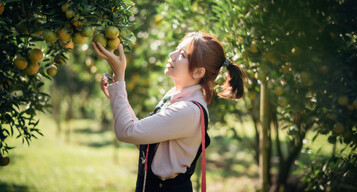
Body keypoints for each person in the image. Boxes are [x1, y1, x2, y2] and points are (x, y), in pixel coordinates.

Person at [92, 32, 247, 192]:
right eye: (176, 49)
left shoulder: (187, 110)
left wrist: (120, 76)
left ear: (198, 72)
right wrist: (117, 94)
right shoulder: (176, 96)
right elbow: (145, 142)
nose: (171, 55)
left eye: (182, 54)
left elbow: (126, 132)